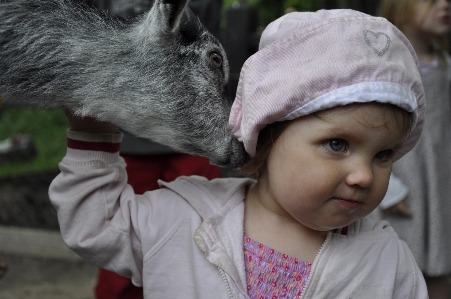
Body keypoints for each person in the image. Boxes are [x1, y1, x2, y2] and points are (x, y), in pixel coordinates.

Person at [49, 10, 428, 298]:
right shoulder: (184, 219)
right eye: (337, 144)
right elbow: (96, 226)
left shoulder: (389, 264)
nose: (364, 175)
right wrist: (91, 136)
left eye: (383, 155)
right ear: (266, 135)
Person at [376, 1, 451, 298]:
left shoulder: (444, 64)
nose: (444, 5)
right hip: (400, 190)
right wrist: (389, 190)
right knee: (398, 272)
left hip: (440, 188)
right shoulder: (386, 64)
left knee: (440, 269)